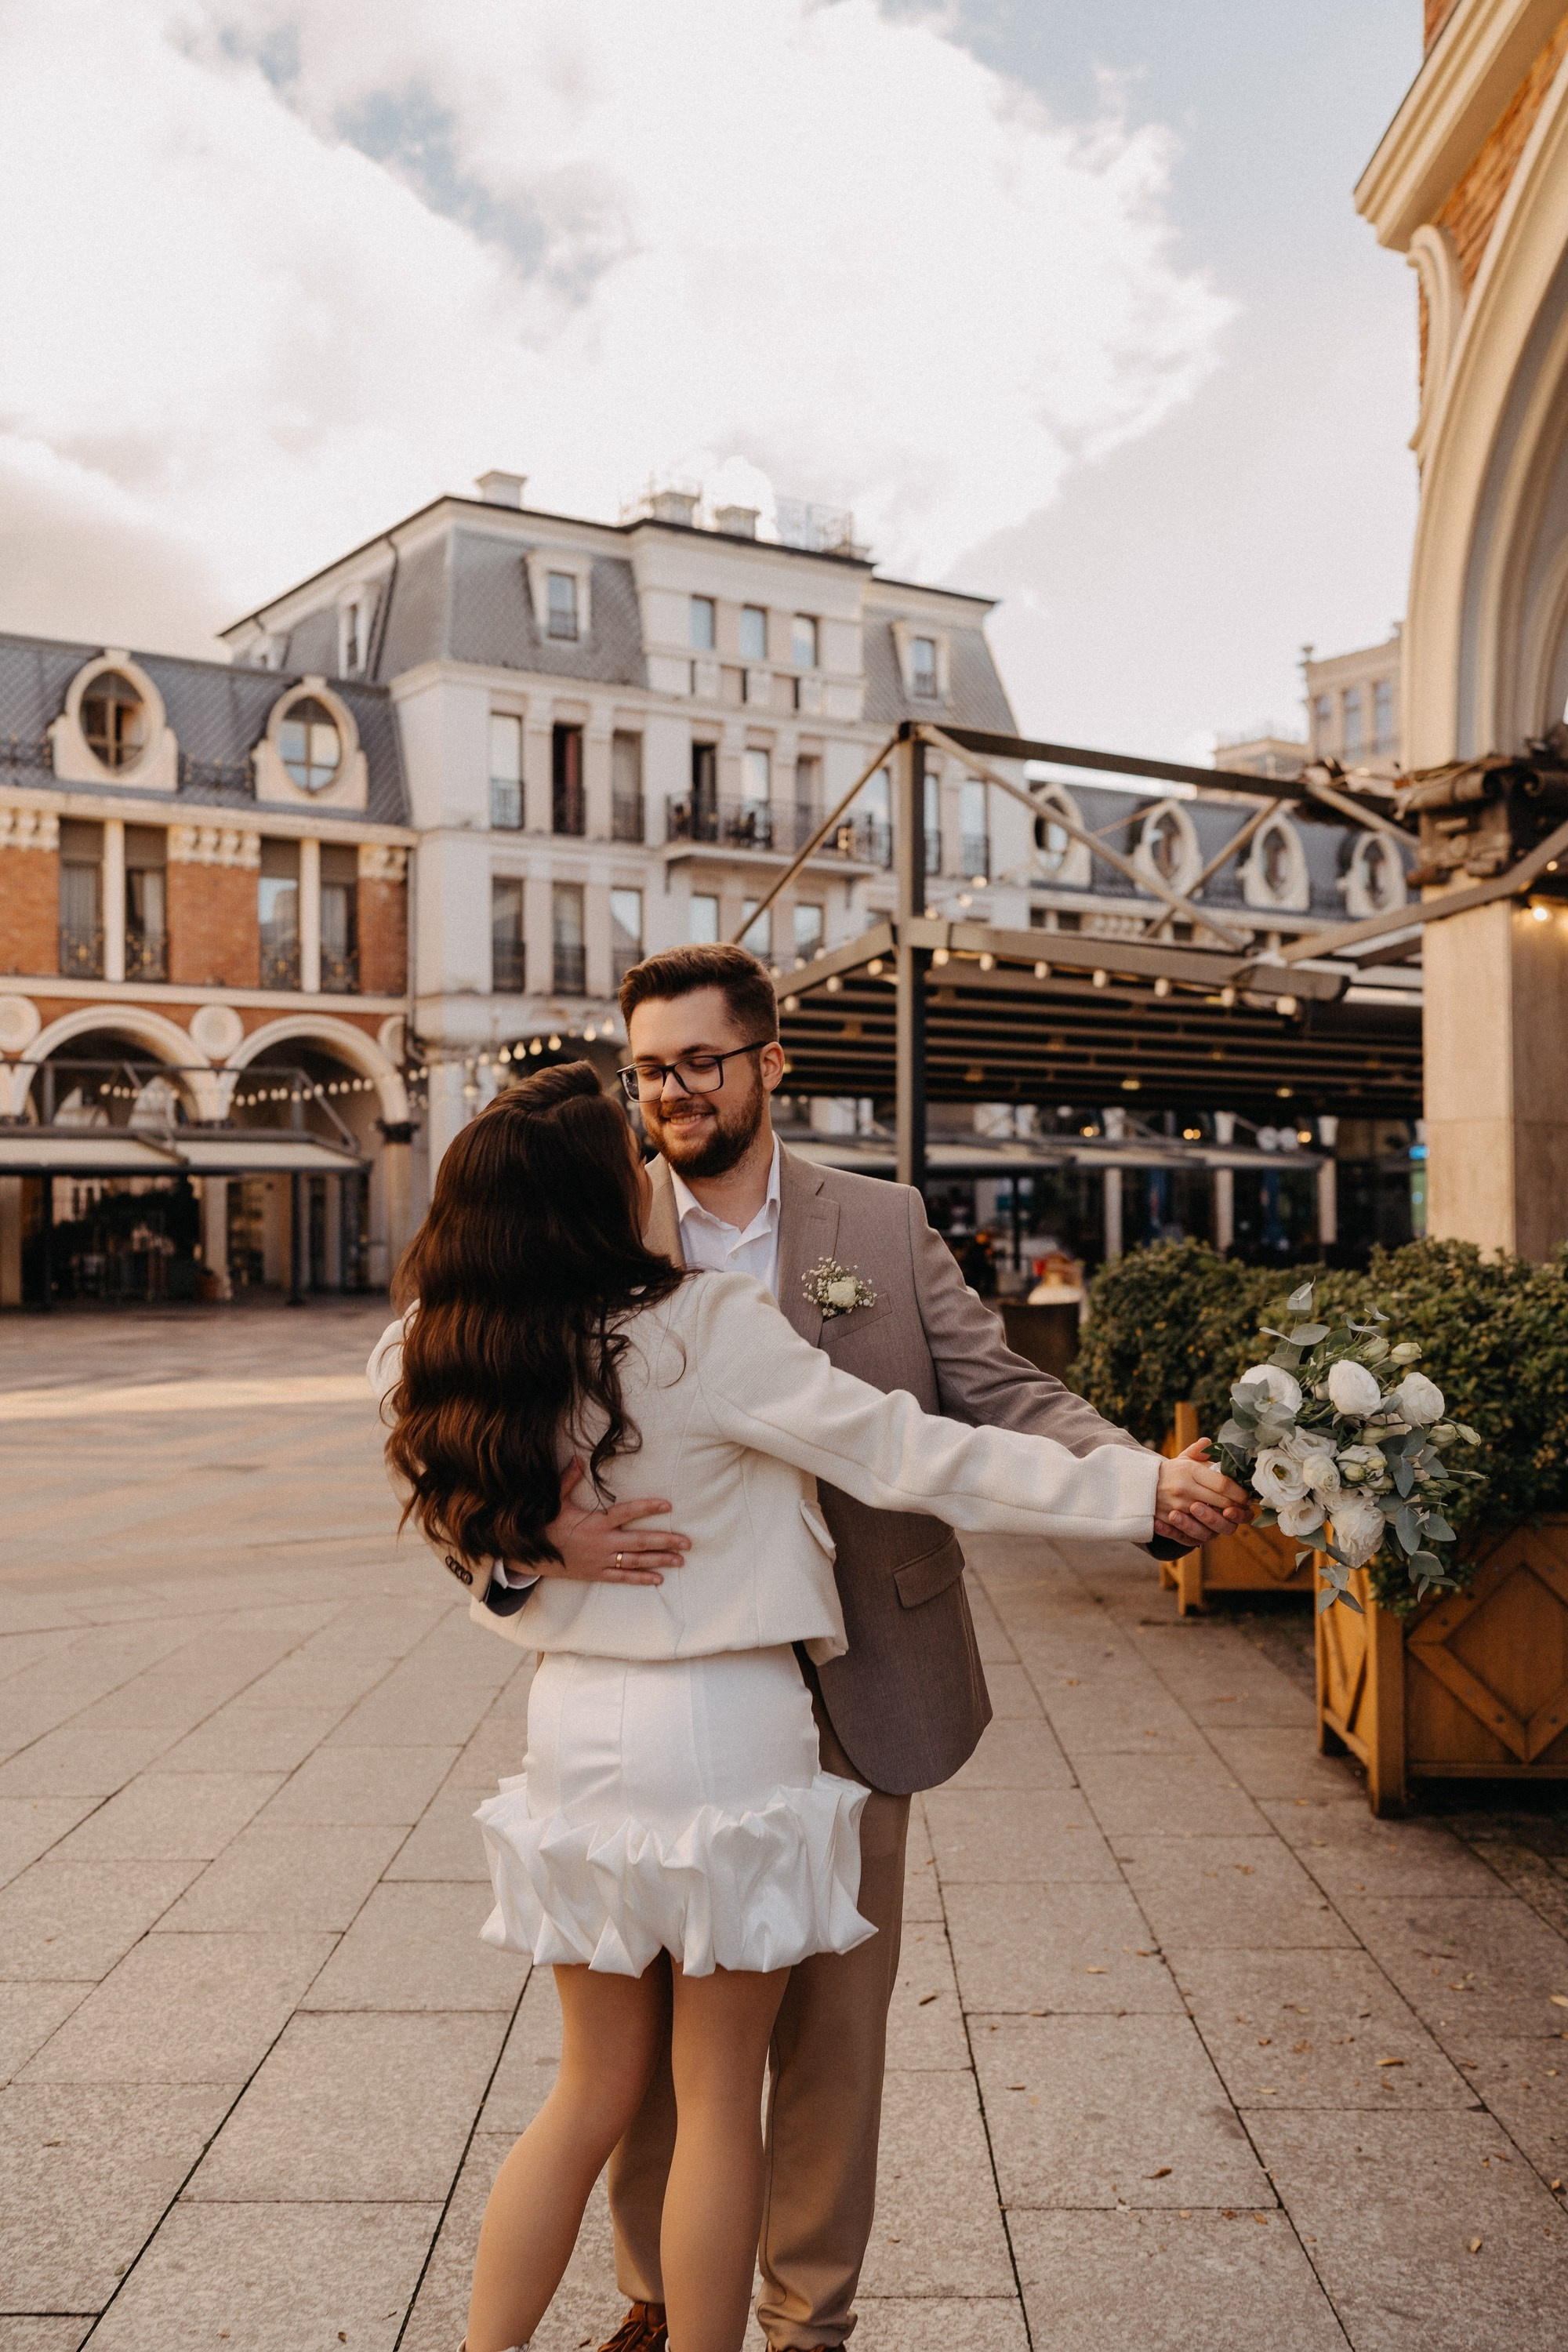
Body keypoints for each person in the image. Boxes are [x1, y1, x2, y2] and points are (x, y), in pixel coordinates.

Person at [437, 946, 1247, 2352]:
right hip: (696, 1688)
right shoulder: (591, 1224)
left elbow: (989, 1396)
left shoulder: (876, 1222)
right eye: (651, 1069)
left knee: (827, 2037)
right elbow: (469, 1432)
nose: (676, 1091)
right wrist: (525, 1548)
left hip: (869, 1674)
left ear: (769, 1064)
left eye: (702, 1061)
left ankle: (806, 2319)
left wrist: (1133, 1482)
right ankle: (657, 2300)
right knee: (663, 2064)